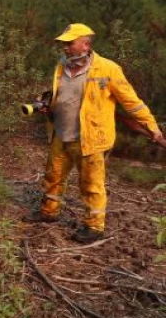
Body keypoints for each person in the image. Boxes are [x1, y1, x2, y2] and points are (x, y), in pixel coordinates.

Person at [24, 23, 164, 243]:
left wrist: (152, 127)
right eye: (63, 44)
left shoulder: (108, 69)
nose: (65, 48)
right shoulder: (62, 66)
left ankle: (95, 227)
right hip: (61, 134)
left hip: (91, 139)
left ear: (85, 44)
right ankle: (49, 212)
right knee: (53, 176)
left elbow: (132, 103)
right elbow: (62, 95)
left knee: (91, 184)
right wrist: (46, 104)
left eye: (69, 43)